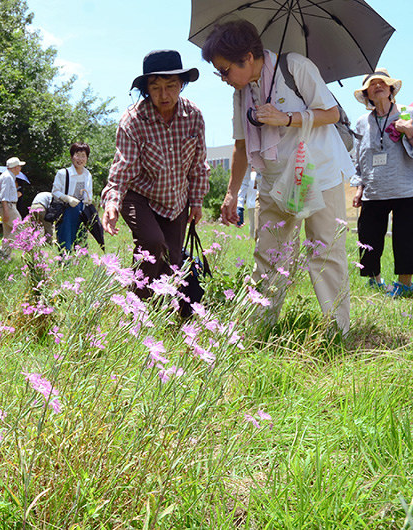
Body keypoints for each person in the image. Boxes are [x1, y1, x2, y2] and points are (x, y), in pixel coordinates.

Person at [202, 19, 354, 333]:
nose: (222, 78)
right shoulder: (241, 92)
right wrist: (232, 193)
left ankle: (336, 331)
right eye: (219, 71)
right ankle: (260, 326)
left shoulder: (294, 66)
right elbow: (241, 146)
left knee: (325, 251)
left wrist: (286, 118)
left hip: (317, 172)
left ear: (246, 57)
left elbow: (332, 113)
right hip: (273, 179)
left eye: (225, 69)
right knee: (270, 252)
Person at [101, 49, 209, 299]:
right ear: (146, 88)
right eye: (156, 87)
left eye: (171, 86)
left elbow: (198, 164)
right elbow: (122, 169)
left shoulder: (193, 116)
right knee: (152, 243)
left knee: (171, 260)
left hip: (176, 200)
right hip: (139, 196)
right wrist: (112, 203)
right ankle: (135, 307)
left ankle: (160, 309)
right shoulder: (133, 120)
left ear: (182, 84)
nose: (164, 95)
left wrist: (197, 202)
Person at [351, 68, 413, 298]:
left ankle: (405, 284)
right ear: (367, 94)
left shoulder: (406, 113)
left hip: (406, 189)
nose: (377, 86)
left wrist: (408, 131)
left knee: (406, 237)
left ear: (391, 90)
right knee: (368, 236)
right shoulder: (361, 122)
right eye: (372, 85)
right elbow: (359, 157)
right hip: (373, 190)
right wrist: (359, 187)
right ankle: (375, 281)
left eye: (382, 83)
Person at [53, 142, 94, 252]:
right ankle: (64, 265)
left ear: (87, 158)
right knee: (65, 241)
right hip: (66, 211)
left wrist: (89, 199)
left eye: (83, 156)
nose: (80, 159)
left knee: (81, 242)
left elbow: (89, 192)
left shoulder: (88, 174)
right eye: (77, 155)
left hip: (82, 211)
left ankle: (80, 266)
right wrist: (67, 198)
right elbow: (55, 192)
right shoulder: (63, 173)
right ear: (71, 157)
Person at [0, 157, 25, 258]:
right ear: (15, 167)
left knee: (8, 231)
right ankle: (2, 249)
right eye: (19, 166)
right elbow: (4, 196)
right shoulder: (8, 177)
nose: (20, 168)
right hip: (8, 206)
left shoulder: (8, 176)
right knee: (20, 228)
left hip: (8, 205)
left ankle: (4, 256)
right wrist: (6, 211)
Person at [237, 169, 260, 240]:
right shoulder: (258, 175)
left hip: (250, 203)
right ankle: (255, 238)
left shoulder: (247, 177)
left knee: (252, 223)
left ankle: (252, 238)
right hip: (258, 202)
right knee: (258, 224)